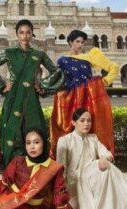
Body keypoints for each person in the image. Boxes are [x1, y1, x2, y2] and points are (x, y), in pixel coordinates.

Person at [0, 19, 64, 168]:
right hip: (13, 97)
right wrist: (2, 87)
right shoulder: (9, 52)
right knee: (11, 131)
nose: (24, 36)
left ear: (32, 35)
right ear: (16, 34)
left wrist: (42, 86)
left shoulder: (38, 54)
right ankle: (12, 167)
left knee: (34, 127)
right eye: (21, 32)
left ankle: (36, 167)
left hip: (31, 98)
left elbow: (56, 72)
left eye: (28, 32)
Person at [50, 30, 119, 158]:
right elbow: (60, 80)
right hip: (69, 100)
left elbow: (114, 68)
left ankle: (90, 161)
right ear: (70, 42)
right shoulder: (62, 60)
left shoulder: (89, 57)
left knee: (88, 127)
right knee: (69, 129)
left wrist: (103, 82)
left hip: (87, 98)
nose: (80, 45)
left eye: (82, 42)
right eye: (77, 42)